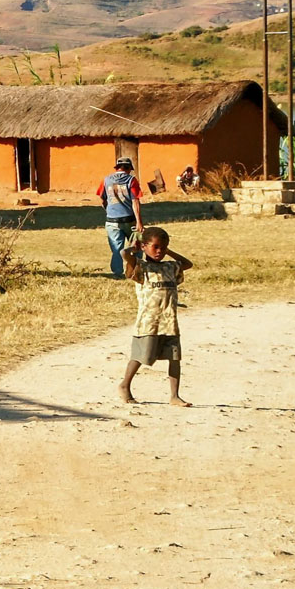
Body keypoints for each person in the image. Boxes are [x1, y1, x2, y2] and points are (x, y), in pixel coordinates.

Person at [118, 226, 192, 406]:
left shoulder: (170, 267)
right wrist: (134, 249)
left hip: (169, 321)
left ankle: (175, 396)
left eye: (163, 248)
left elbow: (188, 264)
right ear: (145, 246)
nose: (159, 251)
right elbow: (123, 253)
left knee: (174, 358)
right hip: (148, 322)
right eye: (155, 247)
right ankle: (125, 385)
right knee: (142, 355)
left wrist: (169, 251)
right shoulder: (140, 267)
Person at [95, 155, 143, 277]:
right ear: (129, 168)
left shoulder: (106, 180)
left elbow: (102, 199)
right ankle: (136, 271)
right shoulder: (131, 180)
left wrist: (108, 210)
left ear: (117, 168)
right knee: (136, 246)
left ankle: (117, 274)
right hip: (129, 219)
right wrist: (139, 222)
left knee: (117, 249)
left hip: (112, 220)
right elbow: (135, 201)